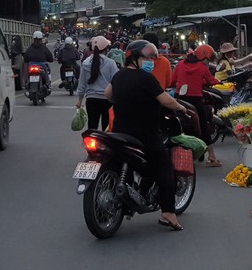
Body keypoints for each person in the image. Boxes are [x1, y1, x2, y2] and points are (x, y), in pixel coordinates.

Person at [104, 40, 189, 231]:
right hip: (145, 134)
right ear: (134, 58)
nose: (151, 62)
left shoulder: (119, 75)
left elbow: (107, 94)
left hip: (119, 131)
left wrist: (125, 101)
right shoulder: (146, 79)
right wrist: (181, 107)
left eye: (152, 58)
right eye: (147, 58)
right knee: (165, 167)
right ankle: (168, 213)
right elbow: (166, 100)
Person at [171, 44, 222, 167]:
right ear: (204, 57)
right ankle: (212, 157)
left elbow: (172, 81)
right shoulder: (202, 67)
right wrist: (218, 82)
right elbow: (211, 80)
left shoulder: (181, 64)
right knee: (204, 126)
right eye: (208, 59)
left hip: (179, 99)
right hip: (195, 100)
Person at [76, 36, 118, 131]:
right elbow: (115, 82)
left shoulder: (86, 63)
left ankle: (90, 140)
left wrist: (79, 100)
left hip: (91, 100)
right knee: (107, 129)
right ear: (106, 48)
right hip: (107, 100)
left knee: (92, 127)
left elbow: (82, 84)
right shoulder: (111, 63)